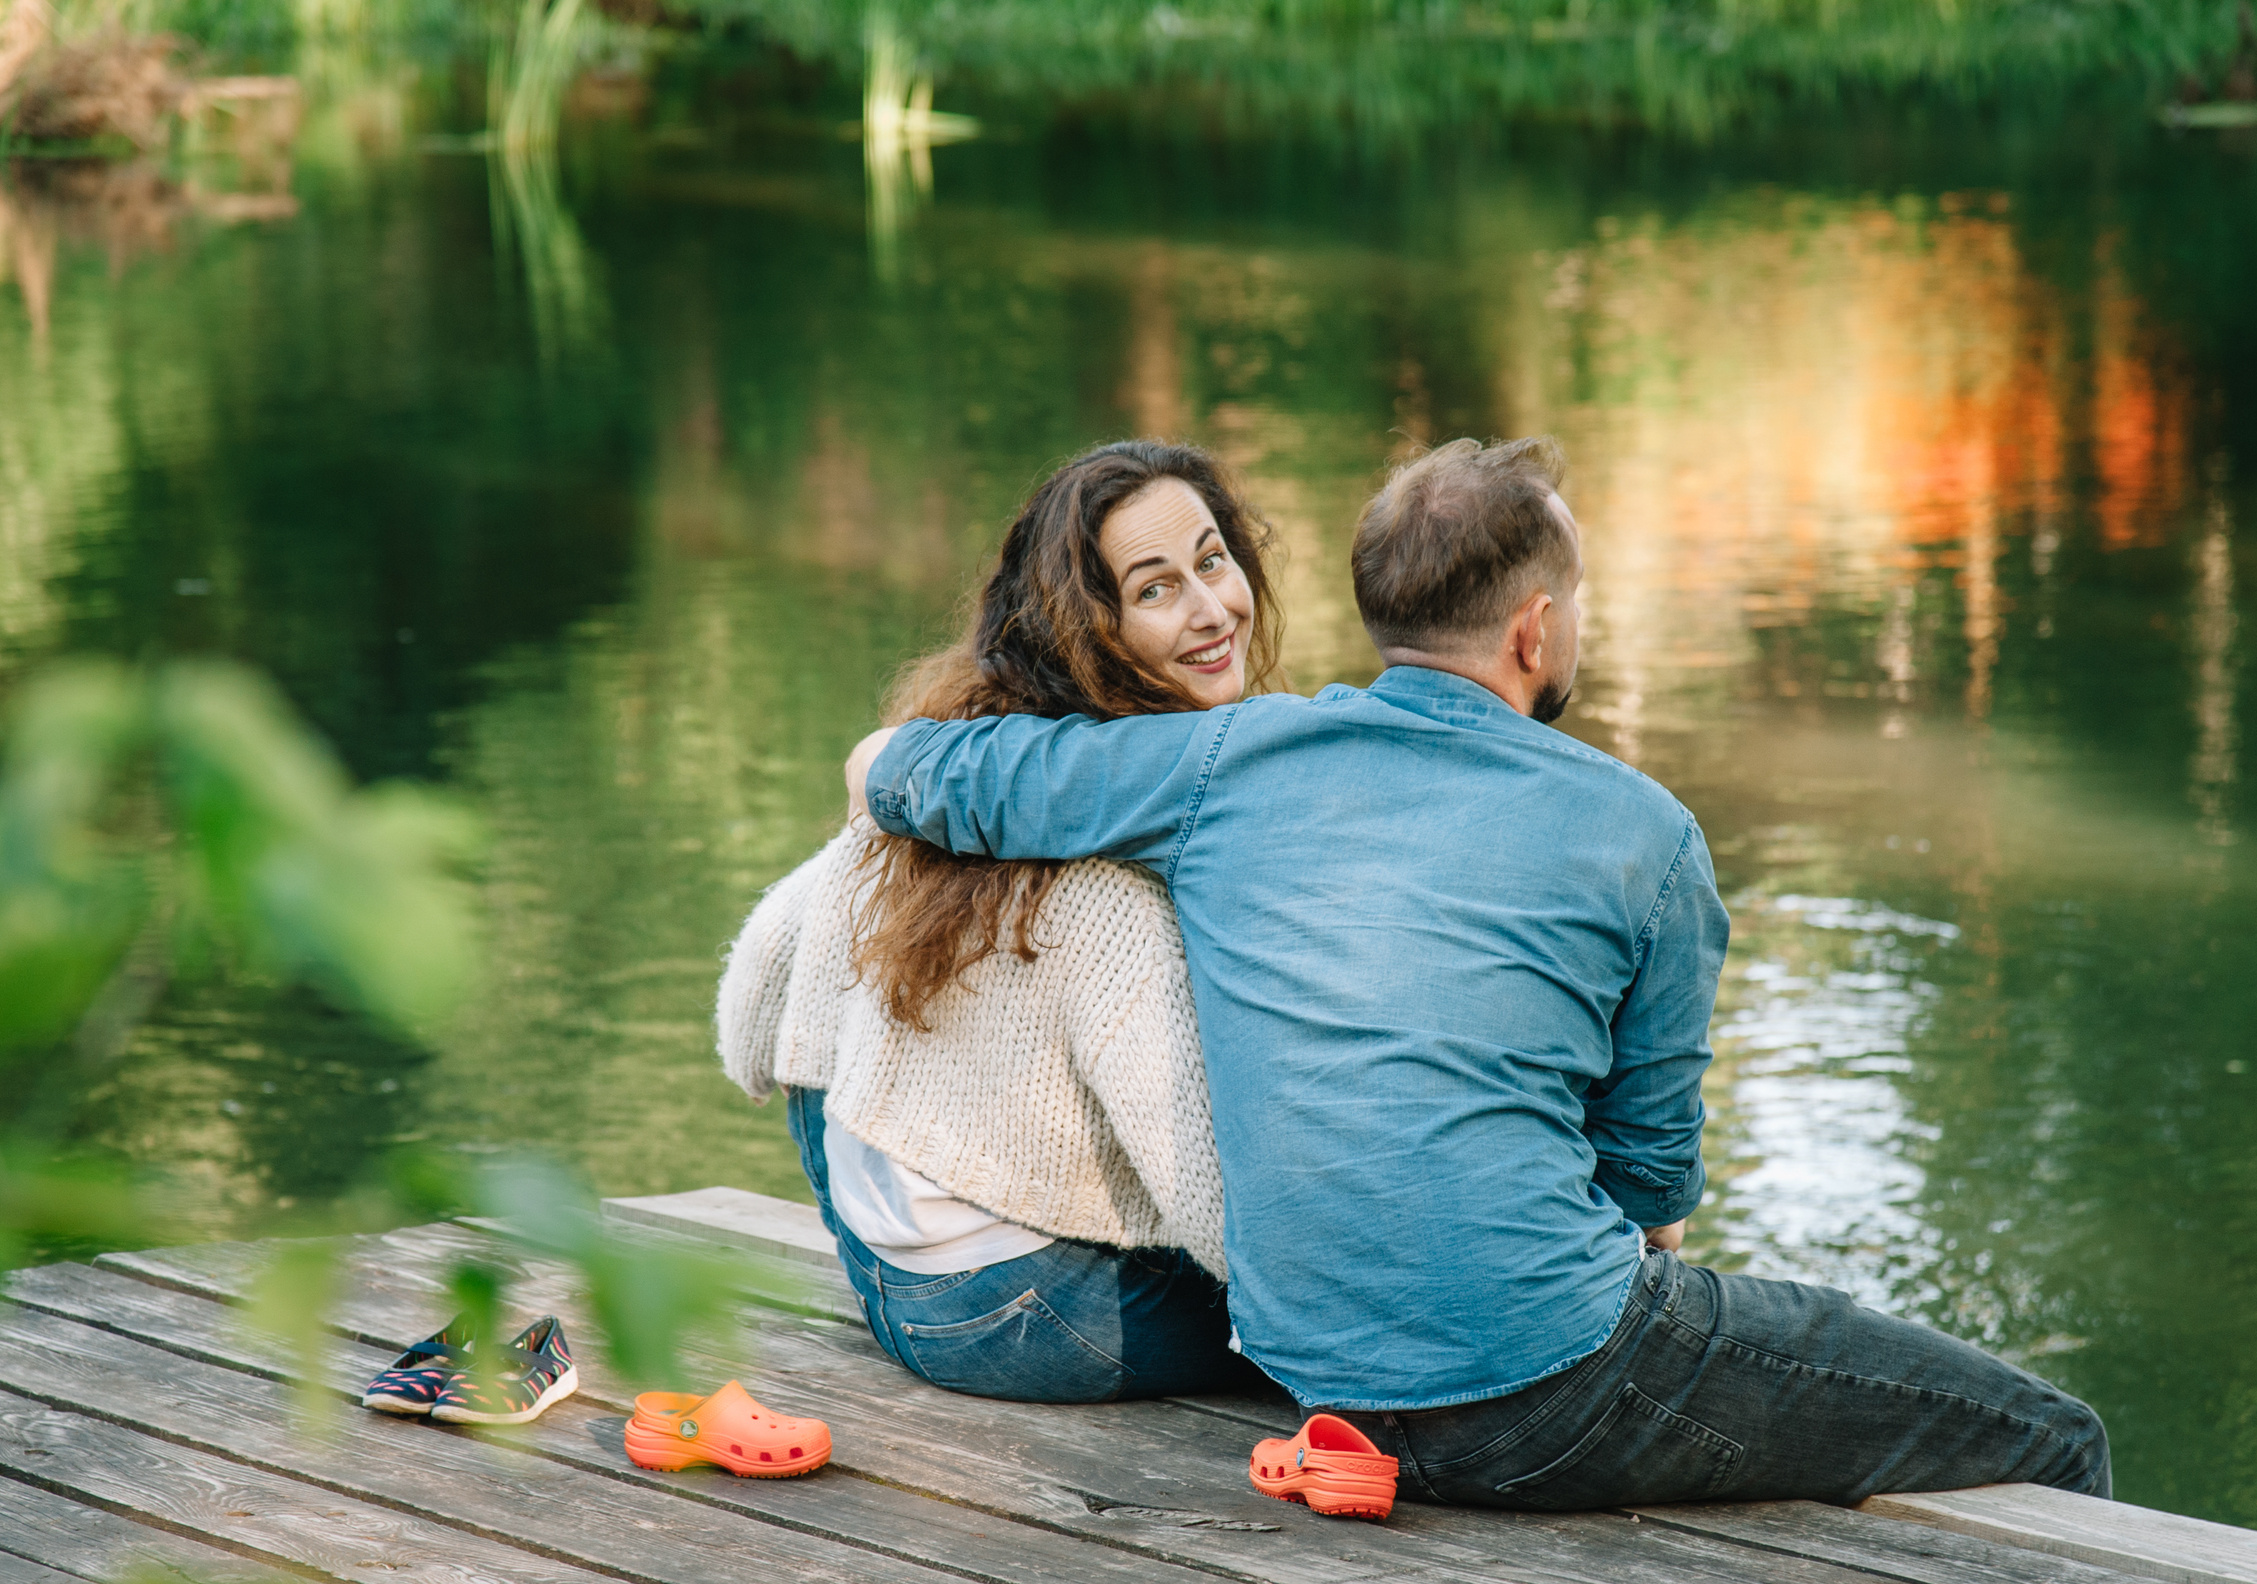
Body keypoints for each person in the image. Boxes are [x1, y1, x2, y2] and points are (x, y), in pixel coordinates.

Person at [846, 436, 2110, 1507]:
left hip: (1323, 1380)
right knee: (2050, 1437)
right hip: (1543, 1381)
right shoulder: (1647, 834)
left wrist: (879, 762)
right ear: (1536, 628)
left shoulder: (1227, 760)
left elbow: (915, 773)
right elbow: (1649, 1183)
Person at [717, 440, 1279, 1403]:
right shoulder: (1116, 885)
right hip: (1014, 1311)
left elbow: (749, 1020)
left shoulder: (931, 778)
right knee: (1310, 1318)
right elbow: (1205, 1193)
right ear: (1089, 631)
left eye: (1212, 559)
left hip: (879, 1268)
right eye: (1154, 590)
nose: (1209, 608)